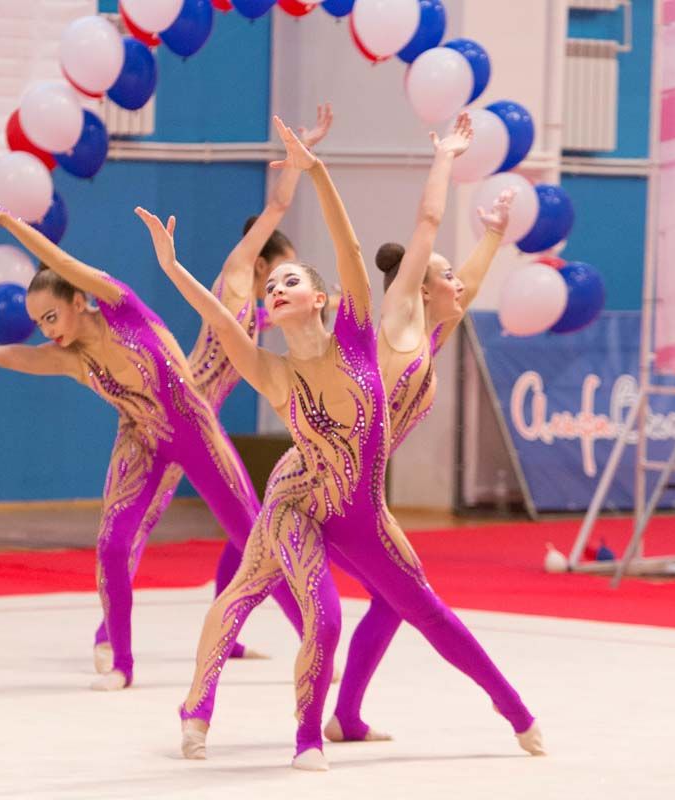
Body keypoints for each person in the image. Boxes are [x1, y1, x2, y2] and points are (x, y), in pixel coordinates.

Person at [136, 115, 542, 771]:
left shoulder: (376, 334)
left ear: (322, 297)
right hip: (300, 495)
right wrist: (172, 267)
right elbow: (220, 318)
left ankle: (516, 713)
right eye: (271, 287)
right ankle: (230, 716)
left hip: (360, 505)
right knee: (296, 608)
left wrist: (319, 171)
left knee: (424, 607)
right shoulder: (298, 362)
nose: (275, 289)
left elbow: (362, 246)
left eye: (289, 281)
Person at [0, 197, 308, 692]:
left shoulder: (122, 307)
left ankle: (311, 639)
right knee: (113, 544)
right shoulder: (70, 358)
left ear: (78, 300)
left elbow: (60, 262)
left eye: (51, 317)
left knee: (255, 537)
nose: (47, 331)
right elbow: (1, 356)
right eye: (40, 324)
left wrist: (6, 220)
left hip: (195, 430)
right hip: (140, 439)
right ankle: (122, 662)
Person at [91, 104, 334, 674]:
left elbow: (274, 329)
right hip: (179, 407)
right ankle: (108, 634)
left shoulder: (261, 307)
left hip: (201, 419)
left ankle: (234, 628)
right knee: (141, 523)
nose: (286, 280)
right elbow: (276, 207)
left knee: (249, 527)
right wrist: (300, 157)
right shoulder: (237, 274)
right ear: (262, 259)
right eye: (284, 268)